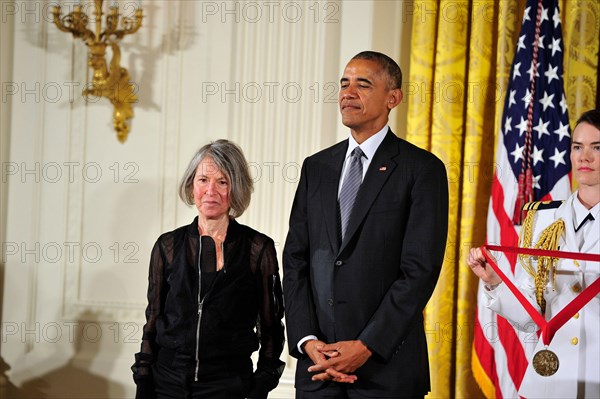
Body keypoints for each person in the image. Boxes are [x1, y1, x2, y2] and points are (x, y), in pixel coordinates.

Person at [282, 51, 449, 398]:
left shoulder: (421, 169)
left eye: (363, 84)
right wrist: (307, 340)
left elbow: (419, 270)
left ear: (393, 98)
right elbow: (295, 260)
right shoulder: (317, 168)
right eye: (344, 84)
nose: (348, 93)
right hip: (318, 371)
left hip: (385, 374)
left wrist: (366, 345)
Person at [132, 140, 285, 399]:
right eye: (203, 180)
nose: (210, 191)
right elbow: (153, 319)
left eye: (222, 182)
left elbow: (271, 325)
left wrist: (262, 382)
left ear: (236, 189)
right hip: (168, 382)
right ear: (192, 186)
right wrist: (144, 379)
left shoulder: (258, 249)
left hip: (229, 385)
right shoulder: (167, 246)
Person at [467, 109, 600, 398]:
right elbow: (529, 317)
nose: (584, 157)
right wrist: (495, 282)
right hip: (552, 377)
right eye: (577, 147)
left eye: (597, 147)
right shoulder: (542, 222)